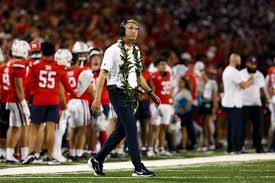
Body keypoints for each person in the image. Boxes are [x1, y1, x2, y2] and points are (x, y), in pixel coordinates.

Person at [88, 19, 160, 177]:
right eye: (130, 28)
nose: (134, 31)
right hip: (117, 92)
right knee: (132, 127)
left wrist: (150, 92)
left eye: (136, 28)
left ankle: (97, 159)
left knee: (120, 132)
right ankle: (138, 167)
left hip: (131, 94)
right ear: (123, 30)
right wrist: (97, 98)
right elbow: (102, 75)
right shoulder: (112, 50)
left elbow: (138, 75)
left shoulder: (136, 51)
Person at [23, 42, 78, 164]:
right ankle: (49, 156)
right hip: (53, 101)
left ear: (41, 51)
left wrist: (27, 98)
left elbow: (27, 85)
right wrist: (76, 94)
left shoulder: (35, 65)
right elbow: (67, 86)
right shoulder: (59, 67)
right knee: (51, 128)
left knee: (34, 128)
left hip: (39, 100)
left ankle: (31, 153)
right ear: (53, 53)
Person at [222, 53, 254, 154]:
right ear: (235, 60)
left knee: (231, 127)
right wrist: (250, 81)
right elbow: (243, 86)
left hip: (228, 102)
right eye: (239, 60)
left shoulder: (226, 70)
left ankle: (230, 148)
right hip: (234, 103)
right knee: (236, 127)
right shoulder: (234, 71)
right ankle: (236, 148)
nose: (240, 62)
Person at [5, 40, 31, 163]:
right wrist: (24, 103)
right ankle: (25, 155)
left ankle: (9, 154)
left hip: (11, 99)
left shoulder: (12, 63)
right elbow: (19, 86)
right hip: (17, 99)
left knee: (14, 127)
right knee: (24, 126)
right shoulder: (19, 64)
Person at [147, 56, 173, 157]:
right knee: (155, 127)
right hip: (156, 104)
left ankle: (161, 147)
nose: (163, 66)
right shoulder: (153, 75)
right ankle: (150, 148)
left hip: (167, 103)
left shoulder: (168, 74)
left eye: (164, 64)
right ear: (156, 66)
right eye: (161, 64)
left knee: (164, 126)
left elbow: (169, 90)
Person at [240, 56, 265, 153]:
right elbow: (241, 87)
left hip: (256, 104)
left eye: (255, 64)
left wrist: (264, 100)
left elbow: (262, 89)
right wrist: (250, 80)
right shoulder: (241, 73)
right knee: (242, 127)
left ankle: (258, 147)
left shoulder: (260, 75)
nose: (253, 66)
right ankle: (240, 146)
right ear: (247, 63)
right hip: (244, 103)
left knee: (258, 127)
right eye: (251, 63)